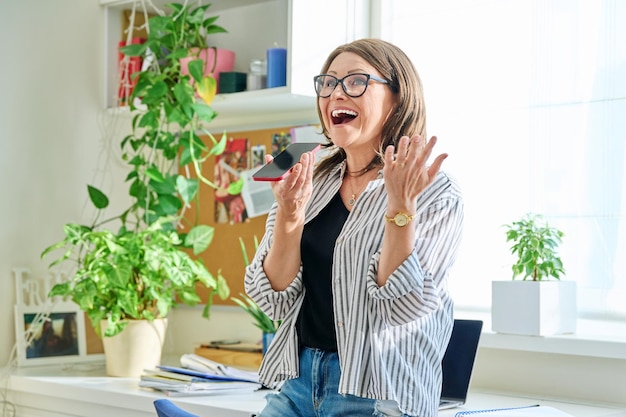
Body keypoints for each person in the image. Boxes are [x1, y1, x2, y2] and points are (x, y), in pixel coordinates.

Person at [244, 38, 464, 417]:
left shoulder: (433, 190)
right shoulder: (309, 178)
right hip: (298, 381)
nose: (335, 94)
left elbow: (403, 306)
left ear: (398, 96)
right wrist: (291, 217)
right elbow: (272, 299)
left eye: (355, 81)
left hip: (378, 390)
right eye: (328, 83)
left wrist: (400, 208)